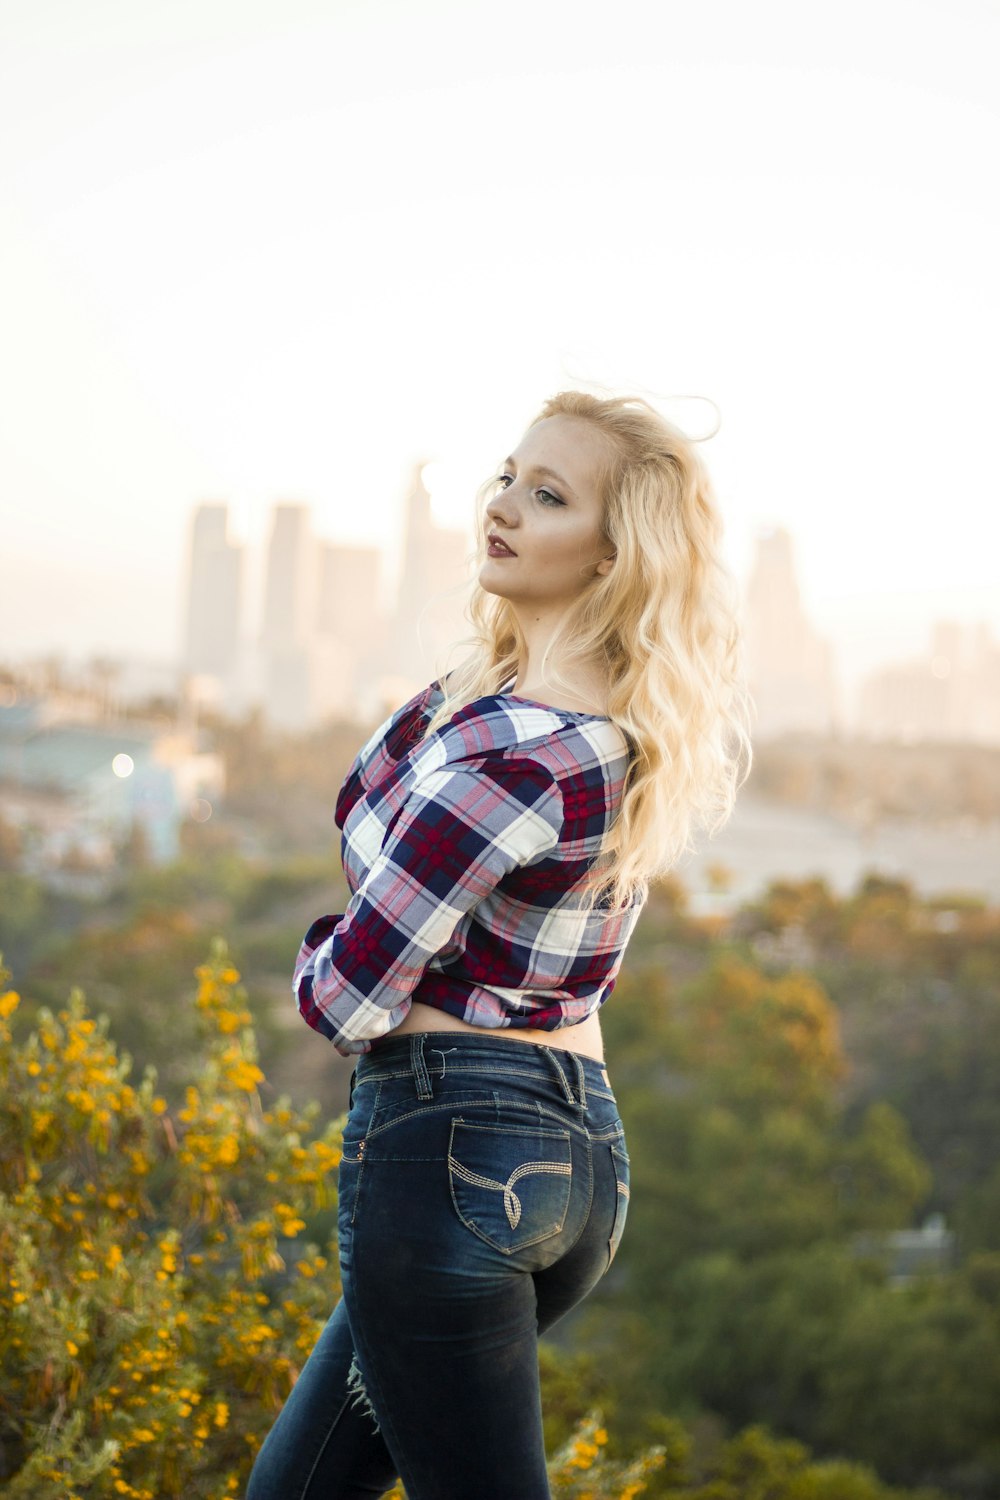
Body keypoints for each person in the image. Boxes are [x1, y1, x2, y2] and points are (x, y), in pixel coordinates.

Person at [245, 389, 751, 1500]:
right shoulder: (602, 731)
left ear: (614, 555)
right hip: (577, 1163)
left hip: (451, 1154)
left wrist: (317, 953)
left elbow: (350, 1001)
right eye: (510, 477)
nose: (505, 507)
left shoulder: (511, 761)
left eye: (550, 495)